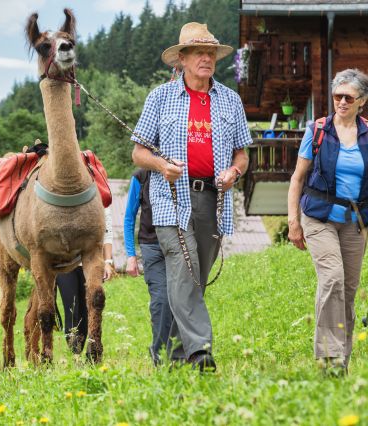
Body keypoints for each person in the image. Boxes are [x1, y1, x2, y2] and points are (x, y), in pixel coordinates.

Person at [131, 22, 251, 372]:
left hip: (213, 200)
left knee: (195, 279)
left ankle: (173, 357)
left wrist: (234, 172)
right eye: (199, 52)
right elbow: (139, 152)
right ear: (181, 59)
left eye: (211, 52)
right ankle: (201, 352)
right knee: (185, 272)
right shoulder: (160, 97)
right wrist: (161, 164)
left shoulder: (230, 99)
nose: (207, 58)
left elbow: (242, 154)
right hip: (171, 198)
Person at [288, 68, 368, 374]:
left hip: (355, 222)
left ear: (362, 100)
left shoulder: (366, 134)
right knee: (332, 278)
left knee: (347, 291)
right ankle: (329, 358)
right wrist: (293, 221)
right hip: (319, 217)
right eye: (337, 96)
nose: (342, 102)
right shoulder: (318, 130)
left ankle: (341, 364)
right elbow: (297, 179)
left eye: (349, 97)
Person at [124, 168, 171, 365]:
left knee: (180, 299)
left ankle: (179, 351)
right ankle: (159, 353)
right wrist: (131, 255)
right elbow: (129, 217)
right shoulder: (141, 176)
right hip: (151, 245)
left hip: (179, 244)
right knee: (161, 299)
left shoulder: (182, 170)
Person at [56, 208, 114, 354]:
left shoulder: (100, 202)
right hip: (65, 264)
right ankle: (75, 354)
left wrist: (107, 261)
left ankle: (87, 352)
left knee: (87, 311)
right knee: (71, 310)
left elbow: (107, 233)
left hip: (90, 264)